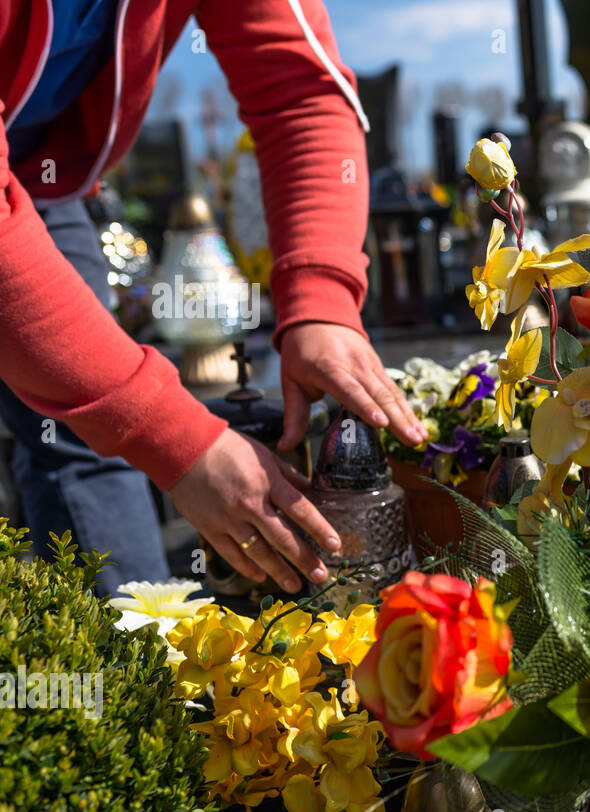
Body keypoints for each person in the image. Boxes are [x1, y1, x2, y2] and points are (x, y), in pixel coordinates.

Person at [0, 0, 426, 594]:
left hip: (38, 176)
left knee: (86, 439)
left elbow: (299, 91)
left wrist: (321, 297)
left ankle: (131, 672)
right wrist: (172, 435)